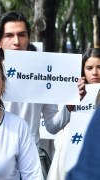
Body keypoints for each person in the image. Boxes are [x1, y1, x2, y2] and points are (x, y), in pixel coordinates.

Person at [0, 10, 85, 178]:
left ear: (28, 38)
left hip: (30, 163)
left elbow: (52, 126)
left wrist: (69, 106)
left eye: (22, 35)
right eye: (9, 36)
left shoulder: (44, 72)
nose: (16, 41)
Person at [47, 48, 100, 180]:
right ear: (82, 70)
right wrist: (70, 105)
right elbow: (53, 127)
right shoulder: (71, 92)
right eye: (89, 68)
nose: (95, 72)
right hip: (68, 153)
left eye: (99, 67)